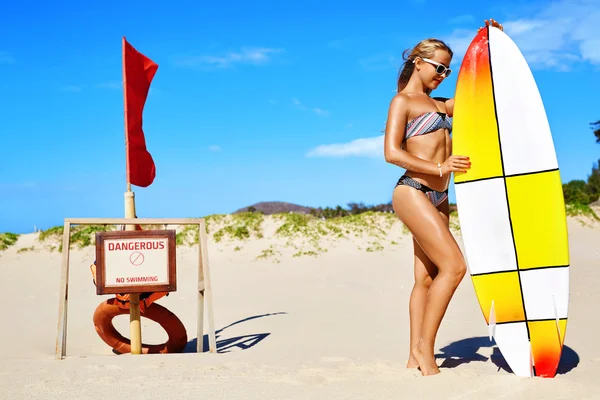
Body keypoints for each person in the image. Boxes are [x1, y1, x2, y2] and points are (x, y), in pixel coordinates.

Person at [383, 19, 503, 376]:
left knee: (425, 279)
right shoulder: (402, 102)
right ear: (418, 61)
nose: (444, 74)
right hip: (413, 191)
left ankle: (411, 356)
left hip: (439, 198)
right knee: (455, 267)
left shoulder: (439, 105)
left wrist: (490, 47)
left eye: (448, 69)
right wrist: (440, 168)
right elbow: (391, 153)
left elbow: (477, 94)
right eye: (439, 67)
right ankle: (425, 350)